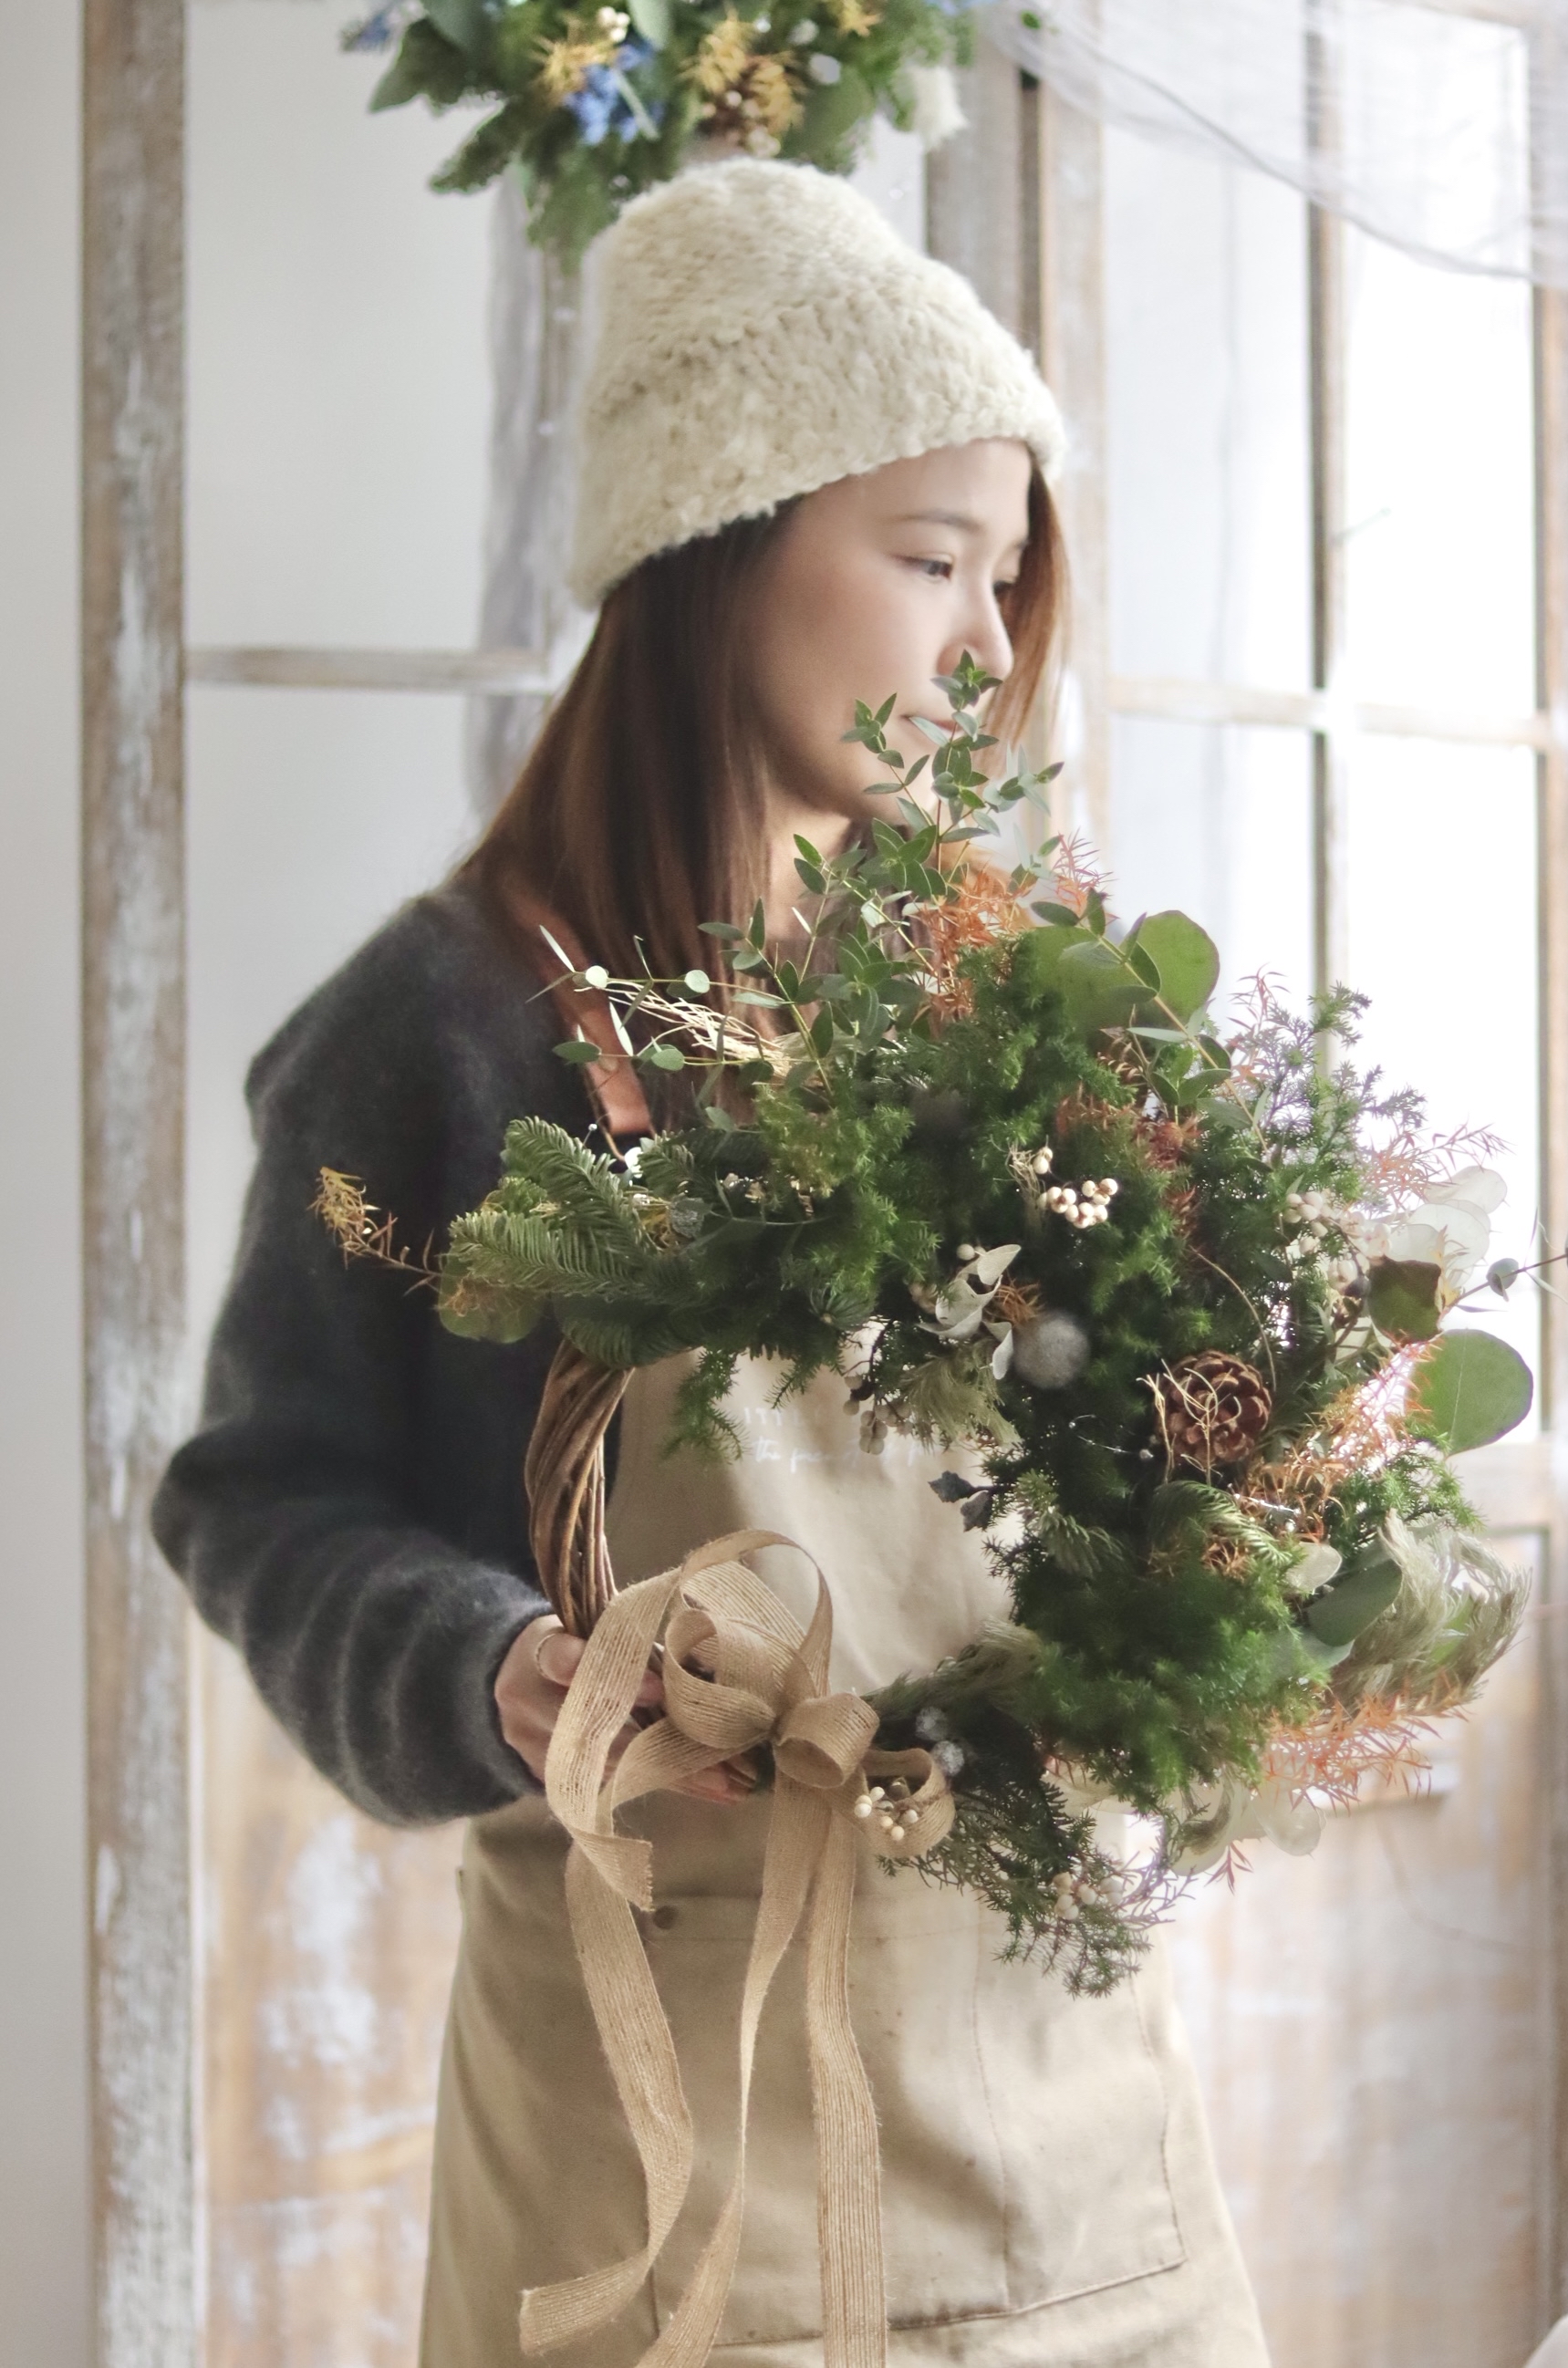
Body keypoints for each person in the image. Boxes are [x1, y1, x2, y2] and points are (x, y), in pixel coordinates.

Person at [154, 160, 1270, 2368]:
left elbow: (1132, 1441)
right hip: (667, 2149)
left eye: (1005, 577)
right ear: (718, 545)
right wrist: (494, 1663)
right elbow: (262, 1496)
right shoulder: (444, 1030)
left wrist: (1241, 1528)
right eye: (928, 559)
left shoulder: (999, 1003)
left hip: (1061, 2128)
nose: (984, 646)